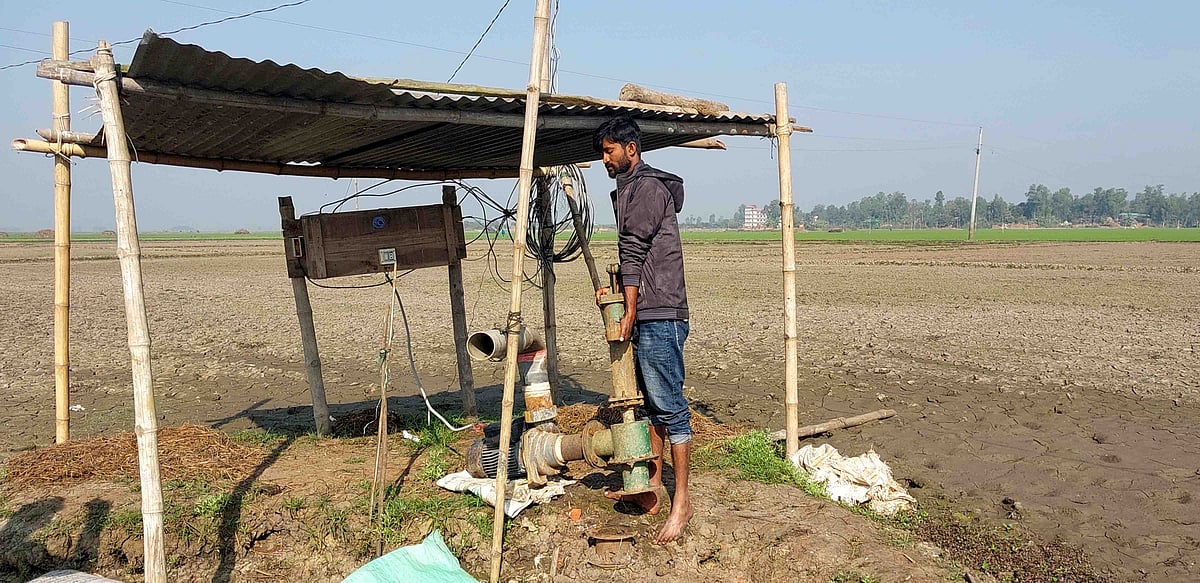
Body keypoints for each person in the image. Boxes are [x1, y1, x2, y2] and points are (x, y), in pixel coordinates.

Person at [592, 115, 693, 544]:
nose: (604, 159)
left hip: (660, 313)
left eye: (609, 151)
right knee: (653, 405)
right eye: (602, 152)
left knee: (670, 406)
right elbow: (631, 256)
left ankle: (681, 502)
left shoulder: (647, 189)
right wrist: (617, 292)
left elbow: (633, 252)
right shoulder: (630, 189)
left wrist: (628, 310)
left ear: (631, 149)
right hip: (650, 309)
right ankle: (649, 489)